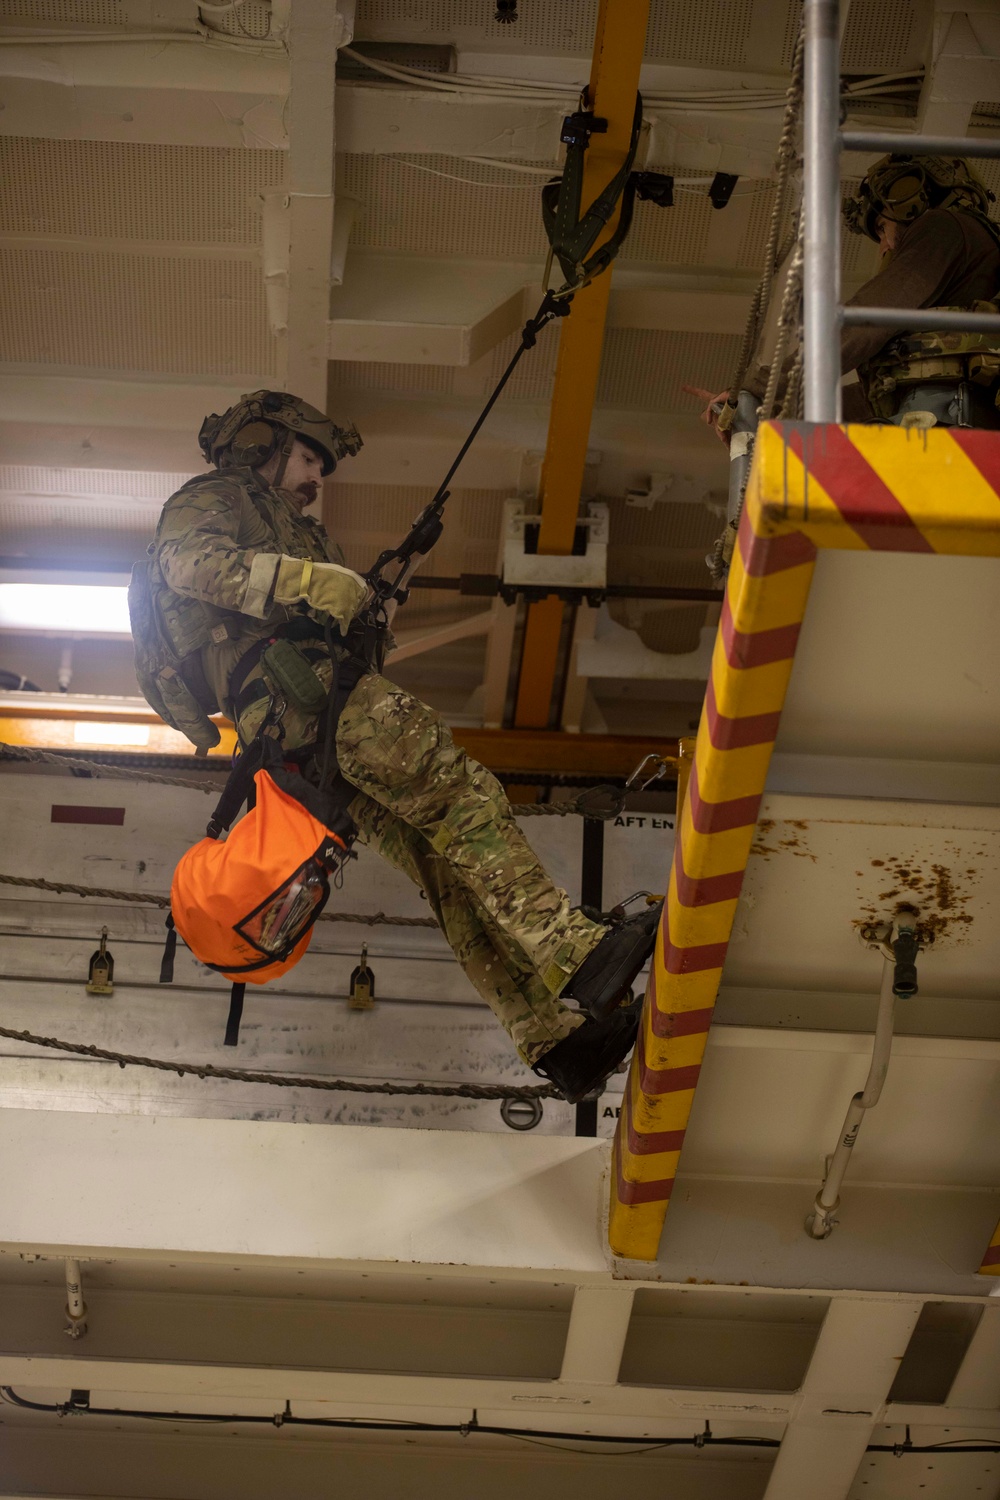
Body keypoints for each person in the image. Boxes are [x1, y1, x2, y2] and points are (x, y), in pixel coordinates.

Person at [131, 390, 660, 1103]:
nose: (317, 479)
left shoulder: (300, 532)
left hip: (305, 733)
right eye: (309, 457)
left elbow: (347, 626)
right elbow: (187, 564)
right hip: (310, 699)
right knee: (460, 795)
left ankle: (554, 1040)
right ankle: (574, 951)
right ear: (263, 442)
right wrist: (316, 581)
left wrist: (372, 599)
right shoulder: (218, 496)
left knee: (444, 865)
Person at [686, 153, 1000, 435]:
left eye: (880, 227)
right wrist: (766, 412)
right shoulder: (976, 262)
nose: (885, 246)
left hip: (948, 422)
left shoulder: (944, 227)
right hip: (954, 421)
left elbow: (866, 321)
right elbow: (871, 400)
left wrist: (761, 390)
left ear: (911, 199)